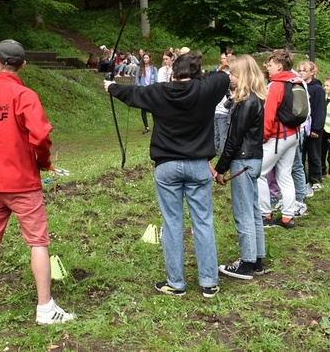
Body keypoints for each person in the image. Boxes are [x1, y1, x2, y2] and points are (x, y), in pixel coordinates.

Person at [0, 39, 75, 325]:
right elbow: (42, 137)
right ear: (23, 65)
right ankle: (45, 309)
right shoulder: (25, 95)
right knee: (38, 243)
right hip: (23, 183)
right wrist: (43, 162)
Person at [106, 53, 229, 297]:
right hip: (197, 165)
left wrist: (111, 86)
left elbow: (132, 94)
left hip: (167, 166)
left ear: (172, 72)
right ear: (197, 74)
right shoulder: (206, 89)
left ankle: (176, 283)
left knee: (172, 224)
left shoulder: (159, 91)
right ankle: (208, 282)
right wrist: (201, 76)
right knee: (203, 222)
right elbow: (223, 76)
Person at [215, 55, 267, 280]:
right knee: (253, 211)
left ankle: (246, 262)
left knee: (244, 212)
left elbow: (233, 139)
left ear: (243, 76)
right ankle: (257, 259)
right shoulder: (252, 99)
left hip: (243, 161)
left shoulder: (247, 103)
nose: (230, 78)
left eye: (233, 74)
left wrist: (221, 168)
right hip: (253, 160)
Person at [256, 50, 304, 229]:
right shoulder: (296, 81)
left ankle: (265, 214)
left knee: (259, 173)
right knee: (285, 174)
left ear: (279, 65)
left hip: (278, 137)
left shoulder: (276, 85)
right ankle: (287, 217)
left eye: (270, 64)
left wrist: (263, 136)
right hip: (294, 135)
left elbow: (269, 114)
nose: (267, 67)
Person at [297, 61, 326, 192]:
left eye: (304, 70)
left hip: (313, 127)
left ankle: (316, 179)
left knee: (314, 154)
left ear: (311, 72)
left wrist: (316, 128)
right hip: (302, 127)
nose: (301, 73)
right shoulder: (299, 87)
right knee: (301, 155)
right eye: (300, 71)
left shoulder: (317, 89)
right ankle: (303, 180)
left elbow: (320, 110)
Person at [135, 52, 157, 134]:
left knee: (153, 108)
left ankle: (156, 125)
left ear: (150, 59)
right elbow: (137, 80)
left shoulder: (153, 69)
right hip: (143, 90)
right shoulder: (140, 68)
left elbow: (156, 80)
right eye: (144, 58)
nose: (145, 59)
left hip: (150, 90)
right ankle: (146, 127)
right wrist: (141, 88)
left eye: (147, 58)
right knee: (143, 109)